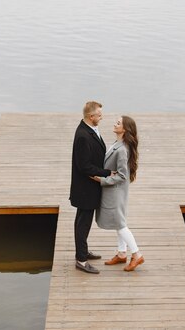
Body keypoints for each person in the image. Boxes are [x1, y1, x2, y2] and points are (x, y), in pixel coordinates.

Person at [92, 115, 144, 272]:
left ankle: (137, 254)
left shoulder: (122, 149)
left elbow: (122, 176)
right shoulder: (118, 144)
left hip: (115, 194)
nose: (115, 124)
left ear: (125, 129)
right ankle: (122, 254)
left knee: (120, 225)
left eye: (118, 123)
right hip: (114, 193)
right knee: (118, 223)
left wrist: (102, 180)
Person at [69, 101, 112, 274]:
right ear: (90, 116)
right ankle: (81, 260)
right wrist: (107, 172)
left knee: (82, 221)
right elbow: (84, 166)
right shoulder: (82, 136)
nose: (101, 118)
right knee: (83, 223)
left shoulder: (90, 130)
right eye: (99, 115)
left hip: (89, 188)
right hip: (85, 188)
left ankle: (83, 251)